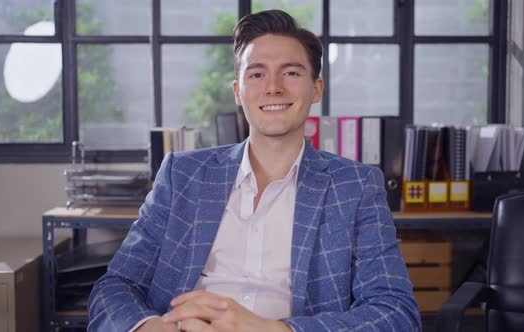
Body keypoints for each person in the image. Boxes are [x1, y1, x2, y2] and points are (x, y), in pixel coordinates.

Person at [88, 9, 420, 332]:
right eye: (257, 74)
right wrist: (152, 327)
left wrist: (272, 329)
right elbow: (117, 285)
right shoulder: (182, 174)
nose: (273, 87)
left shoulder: (355, 186)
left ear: (316, 89)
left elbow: (395, 312)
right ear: (238, 91)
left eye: (290, 73)